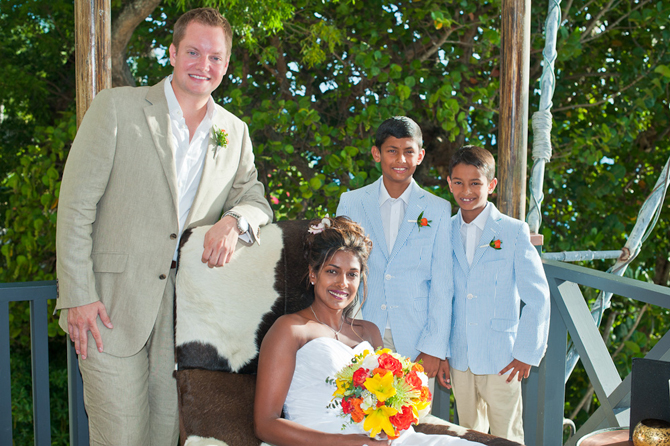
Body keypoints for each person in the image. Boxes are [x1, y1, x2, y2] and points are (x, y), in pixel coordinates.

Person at [56, 8, 273, 445]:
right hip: (109, 309)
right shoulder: (115, 108)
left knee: (164, 437)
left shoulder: (234, 131)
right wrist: (78, 296)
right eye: (193, 51)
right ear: (173, 53)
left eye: (215, 57)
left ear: (226, 65)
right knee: (120, 437)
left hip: (185, 319)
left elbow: (256, 199)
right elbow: (76, 208)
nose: (203, 65)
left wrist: (234, 221)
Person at [254, 216, 484, 446]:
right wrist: (349, 442)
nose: (343, 283)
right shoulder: (290, 330)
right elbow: (266, 424)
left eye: (352, 274)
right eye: (332, 271)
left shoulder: (368, 332)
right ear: (313, 274)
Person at [441, 146, 550, 443]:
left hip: (504, 358)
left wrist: (526, 353)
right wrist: (441, 352)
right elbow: (441, 295)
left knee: (507, 435)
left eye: (475, 182)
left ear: (491, 185)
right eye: (459, 182)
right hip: (460, 355)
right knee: (468, 434)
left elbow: (538, 295)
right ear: (450, 184)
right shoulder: (444, 231)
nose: (467, 190)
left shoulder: (514, 231)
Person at [336, 116, 453, 392]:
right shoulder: (351, 202)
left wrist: (434, 347)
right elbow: (341, 271)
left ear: (421, 155)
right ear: (377, 153)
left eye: (409, 151)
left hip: (416, 340)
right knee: (361, 418)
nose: (401, 159)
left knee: (414, 423)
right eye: (392, 150)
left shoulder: (438, 209)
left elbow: (443, 284)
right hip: (360, 331)